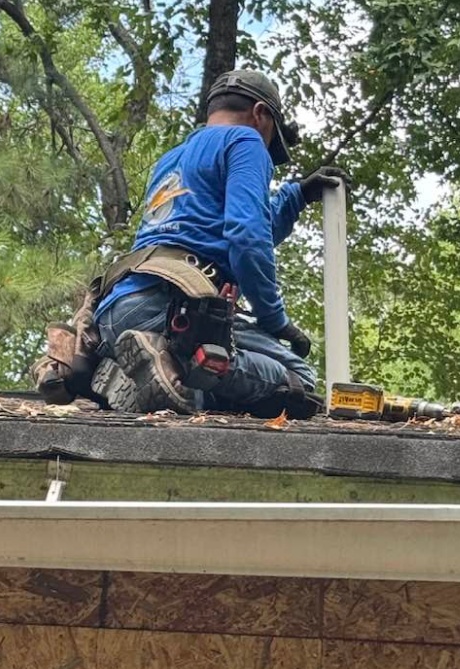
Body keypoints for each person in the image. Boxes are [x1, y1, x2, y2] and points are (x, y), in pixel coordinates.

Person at [91, 69, 347, 417]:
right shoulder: (245, 140)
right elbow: (247, 237)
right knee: (298, 380)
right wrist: (275, 320)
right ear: (260, 114)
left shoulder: (172, 158)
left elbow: (219, 232)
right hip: (169, 310)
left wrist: (295, 197)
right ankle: (172, 364)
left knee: (206, 392)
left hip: (116, 310)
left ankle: (138, 374)